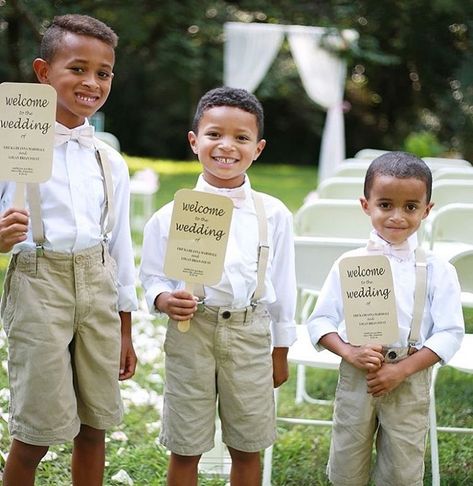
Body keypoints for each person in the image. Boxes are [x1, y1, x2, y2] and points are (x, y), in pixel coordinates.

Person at [0, 14, 138, 486]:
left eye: (103, 73)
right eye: (77, 68)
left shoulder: (109, 161)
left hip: (97, 286)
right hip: (40, 284)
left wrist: (125, 327)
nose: (91, 82)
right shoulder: (9, 148)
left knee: (95, 424)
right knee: (36, 431)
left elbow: (119, 244)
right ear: (42, 73)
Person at [139, 86, 297, 486]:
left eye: (241, 137)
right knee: (186, 444)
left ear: (258, 148)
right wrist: (162, 298)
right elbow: (151, 275)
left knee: (247, 444)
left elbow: (283, 283)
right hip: (192, 333)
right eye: (214, 134)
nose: (227, 146)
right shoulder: (170, 214)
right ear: (194, 141)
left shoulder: (273, 214)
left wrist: (280, 349)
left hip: (249, 332)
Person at [307, 151, 465, 486]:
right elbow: (319, 322)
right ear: (366, 205)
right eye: (385, 205)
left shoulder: (439, 270)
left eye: (410, 207)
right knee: (347, 463)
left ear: (427, 209)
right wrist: (350, 352)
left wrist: (402, 370)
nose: (397, 216)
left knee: (402, 469)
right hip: (358, 373)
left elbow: (450, 332)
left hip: (409, 374)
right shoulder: (348, 263)